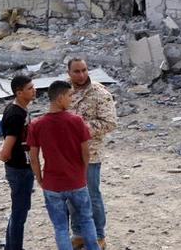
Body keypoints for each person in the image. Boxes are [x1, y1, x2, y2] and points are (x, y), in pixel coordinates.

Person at [27, 81, 100, 250]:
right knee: (86, 220)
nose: (71, 99)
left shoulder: (37, 124)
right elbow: (85, 152)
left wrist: (40, 179)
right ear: (60, 98)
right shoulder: (76, 121)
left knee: (60, 227)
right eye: (69, 96)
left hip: (52, 184)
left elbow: (34, 157)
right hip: (76, 181)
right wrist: (82, 172)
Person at [66, 58, 117, 250]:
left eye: (84, 70)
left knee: (91, 195)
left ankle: (98, 235)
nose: (81, 75)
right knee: (72, 195)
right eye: (76, 71)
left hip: (90, 154)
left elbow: (110, 123)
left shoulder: (99, 93)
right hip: (67, 153)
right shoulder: (64, 91)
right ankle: (78, 233)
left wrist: (78, 129)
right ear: (69, 72)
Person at [0, 75, 35, 250]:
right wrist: (2, 154)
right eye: (30, 88)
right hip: (20, 169)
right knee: (19, 213)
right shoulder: (17, 115)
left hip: (19, 167)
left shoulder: (17, 110)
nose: (34, 90)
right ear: (19, 92)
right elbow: (10, 142)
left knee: (18, 211)